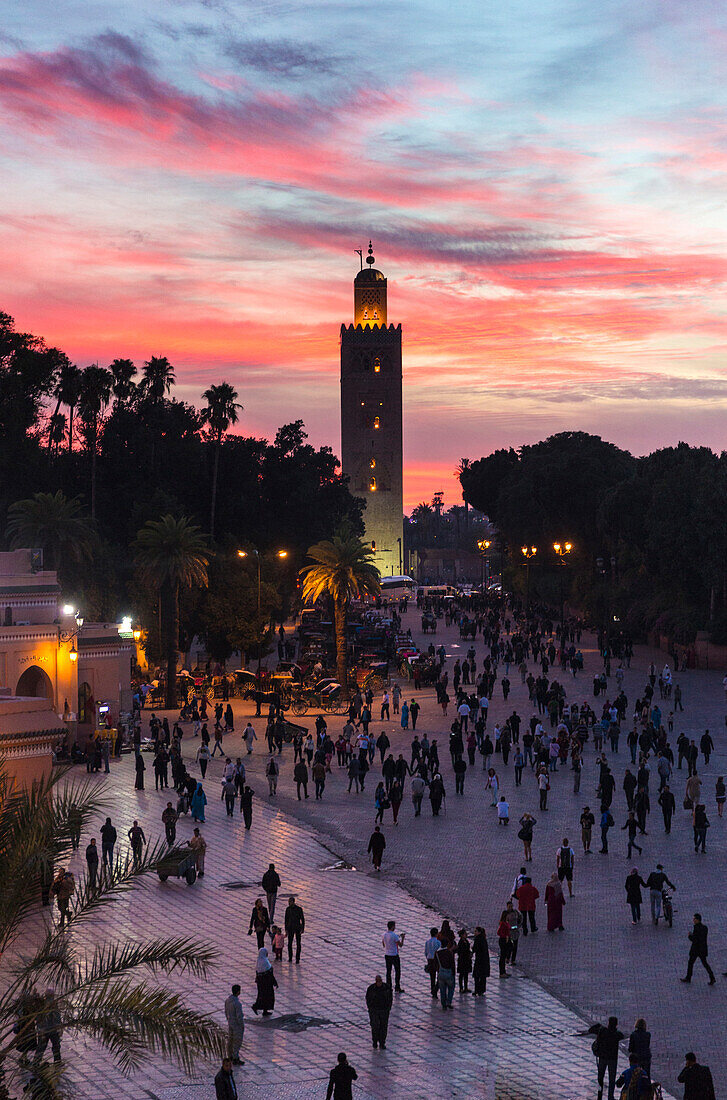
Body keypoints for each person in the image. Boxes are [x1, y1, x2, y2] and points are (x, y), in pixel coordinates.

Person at [588, 1016, 624, 1100]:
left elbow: (591, 1030)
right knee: (612, 1079)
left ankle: (599, 1096)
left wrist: (599, 1025)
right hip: (612, 1059)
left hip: (602, 1058)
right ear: (616, 1024)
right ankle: (610, 1096)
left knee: (600, 1077)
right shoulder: (617, 1034)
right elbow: (622, 1036)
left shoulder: (603, 1031)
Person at [680, 913, 716, 984]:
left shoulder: (696, 928)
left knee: (690, 963)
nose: (693, 920)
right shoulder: (705, 928)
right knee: (705, 964)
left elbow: (695, 939)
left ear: (697, 920)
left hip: (696, 949)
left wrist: (690, 936)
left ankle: (688, 977)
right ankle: (712, 977)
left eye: (694, 919)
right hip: (702, 949)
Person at [34, 988, 62, 1065]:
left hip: (46, 1030)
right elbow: (57, 1017)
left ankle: (36, 1061)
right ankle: (57, 1061)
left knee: (41, 1047)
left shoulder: (42, 1004)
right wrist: (59, 1028)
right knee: (55, 1046)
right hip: (50, 1030)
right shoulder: (51, 1004)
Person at [365, 974, 392, 1049]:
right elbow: (368, 998)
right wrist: (370, 1008)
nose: (379, 983)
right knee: (375, 1026)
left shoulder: (386, 988)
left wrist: (388, 1008)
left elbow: (390, 998)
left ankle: (382, 1042)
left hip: (384, 1010)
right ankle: (375, 1041)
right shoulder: (371, 989)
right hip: (374, 1010)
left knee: (383, 1026)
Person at [251, 947, 277, 1016]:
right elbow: (270, 973)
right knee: (266, 996)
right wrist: (274, 982)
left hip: (261, 983)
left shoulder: (259, 961)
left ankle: (265, 1011)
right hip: (267, 983)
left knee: (262, 996)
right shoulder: (265, 962)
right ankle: (256, 1007)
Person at [224, 984, 245, 1066]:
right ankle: (235, 1057)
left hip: (230, 1023)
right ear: (238, 992)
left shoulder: (227, 1001)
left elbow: (226, 1011)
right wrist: (241, 1025)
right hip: (236, 1025)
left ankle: (230, 1056)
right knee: (237, 1041)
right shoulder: (237, 1003)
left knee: (230, 1040)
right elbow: (239, 1016)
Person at [382, 920, 405, 992]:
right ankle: (397, 986)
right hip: (394, 955)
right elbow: (400, 945)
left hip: (387, 954)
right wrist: (403, 938)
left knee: (388, 971)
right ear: (392, 927)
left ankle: (389, 987)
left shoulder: (384, 935)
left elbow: (383, 944)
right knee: (397, 971)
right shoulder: (394, 935)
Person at [435, 937, 456, 1007]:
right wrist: (454, 973)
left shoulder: (438, 953)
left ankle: (443, 1003)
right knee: (451, 988)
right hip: (449, 972)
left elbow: (436, 963)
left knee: (442, 989)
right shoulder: (449, 953)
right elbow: (452, 964)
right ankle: (449, 1002)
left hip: (441, 972)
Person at [285, 895, 305, 962]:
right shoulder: (288, 909)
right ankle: (290, 957)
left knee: (298, 943)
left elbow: (302, 919)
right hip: (290, 928)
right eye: (288, 902)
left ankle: (297, 958)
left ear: (293, 902)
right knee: (289, 943)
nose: (289, 903)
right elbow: (286, 920)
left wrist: (302, 928)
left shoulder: (299, 909)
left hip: (297, 927)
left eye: (290, 902)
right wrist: (286, 929)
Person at [472, 926, 490, 996]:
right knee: (482, 976)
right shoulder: (483, 939)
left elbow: (475, 949)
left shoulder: (478, 939)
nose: (474, 933)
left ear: (479, 932)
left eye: (476, 931)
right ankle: (481, 990)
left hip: (480, 960)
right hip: (484, 960)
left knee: (477, 976)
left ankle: (477, 989)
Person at [424, 927, 441, 998]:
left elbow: (426, 952)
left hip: (429, 959)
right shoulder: (438, 942)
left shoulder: (427, 942)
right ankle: (435, 989)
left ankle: (433, 990)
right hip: (436, 960)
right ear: (437, 934)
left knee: (432, 976)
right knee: (439, 976)